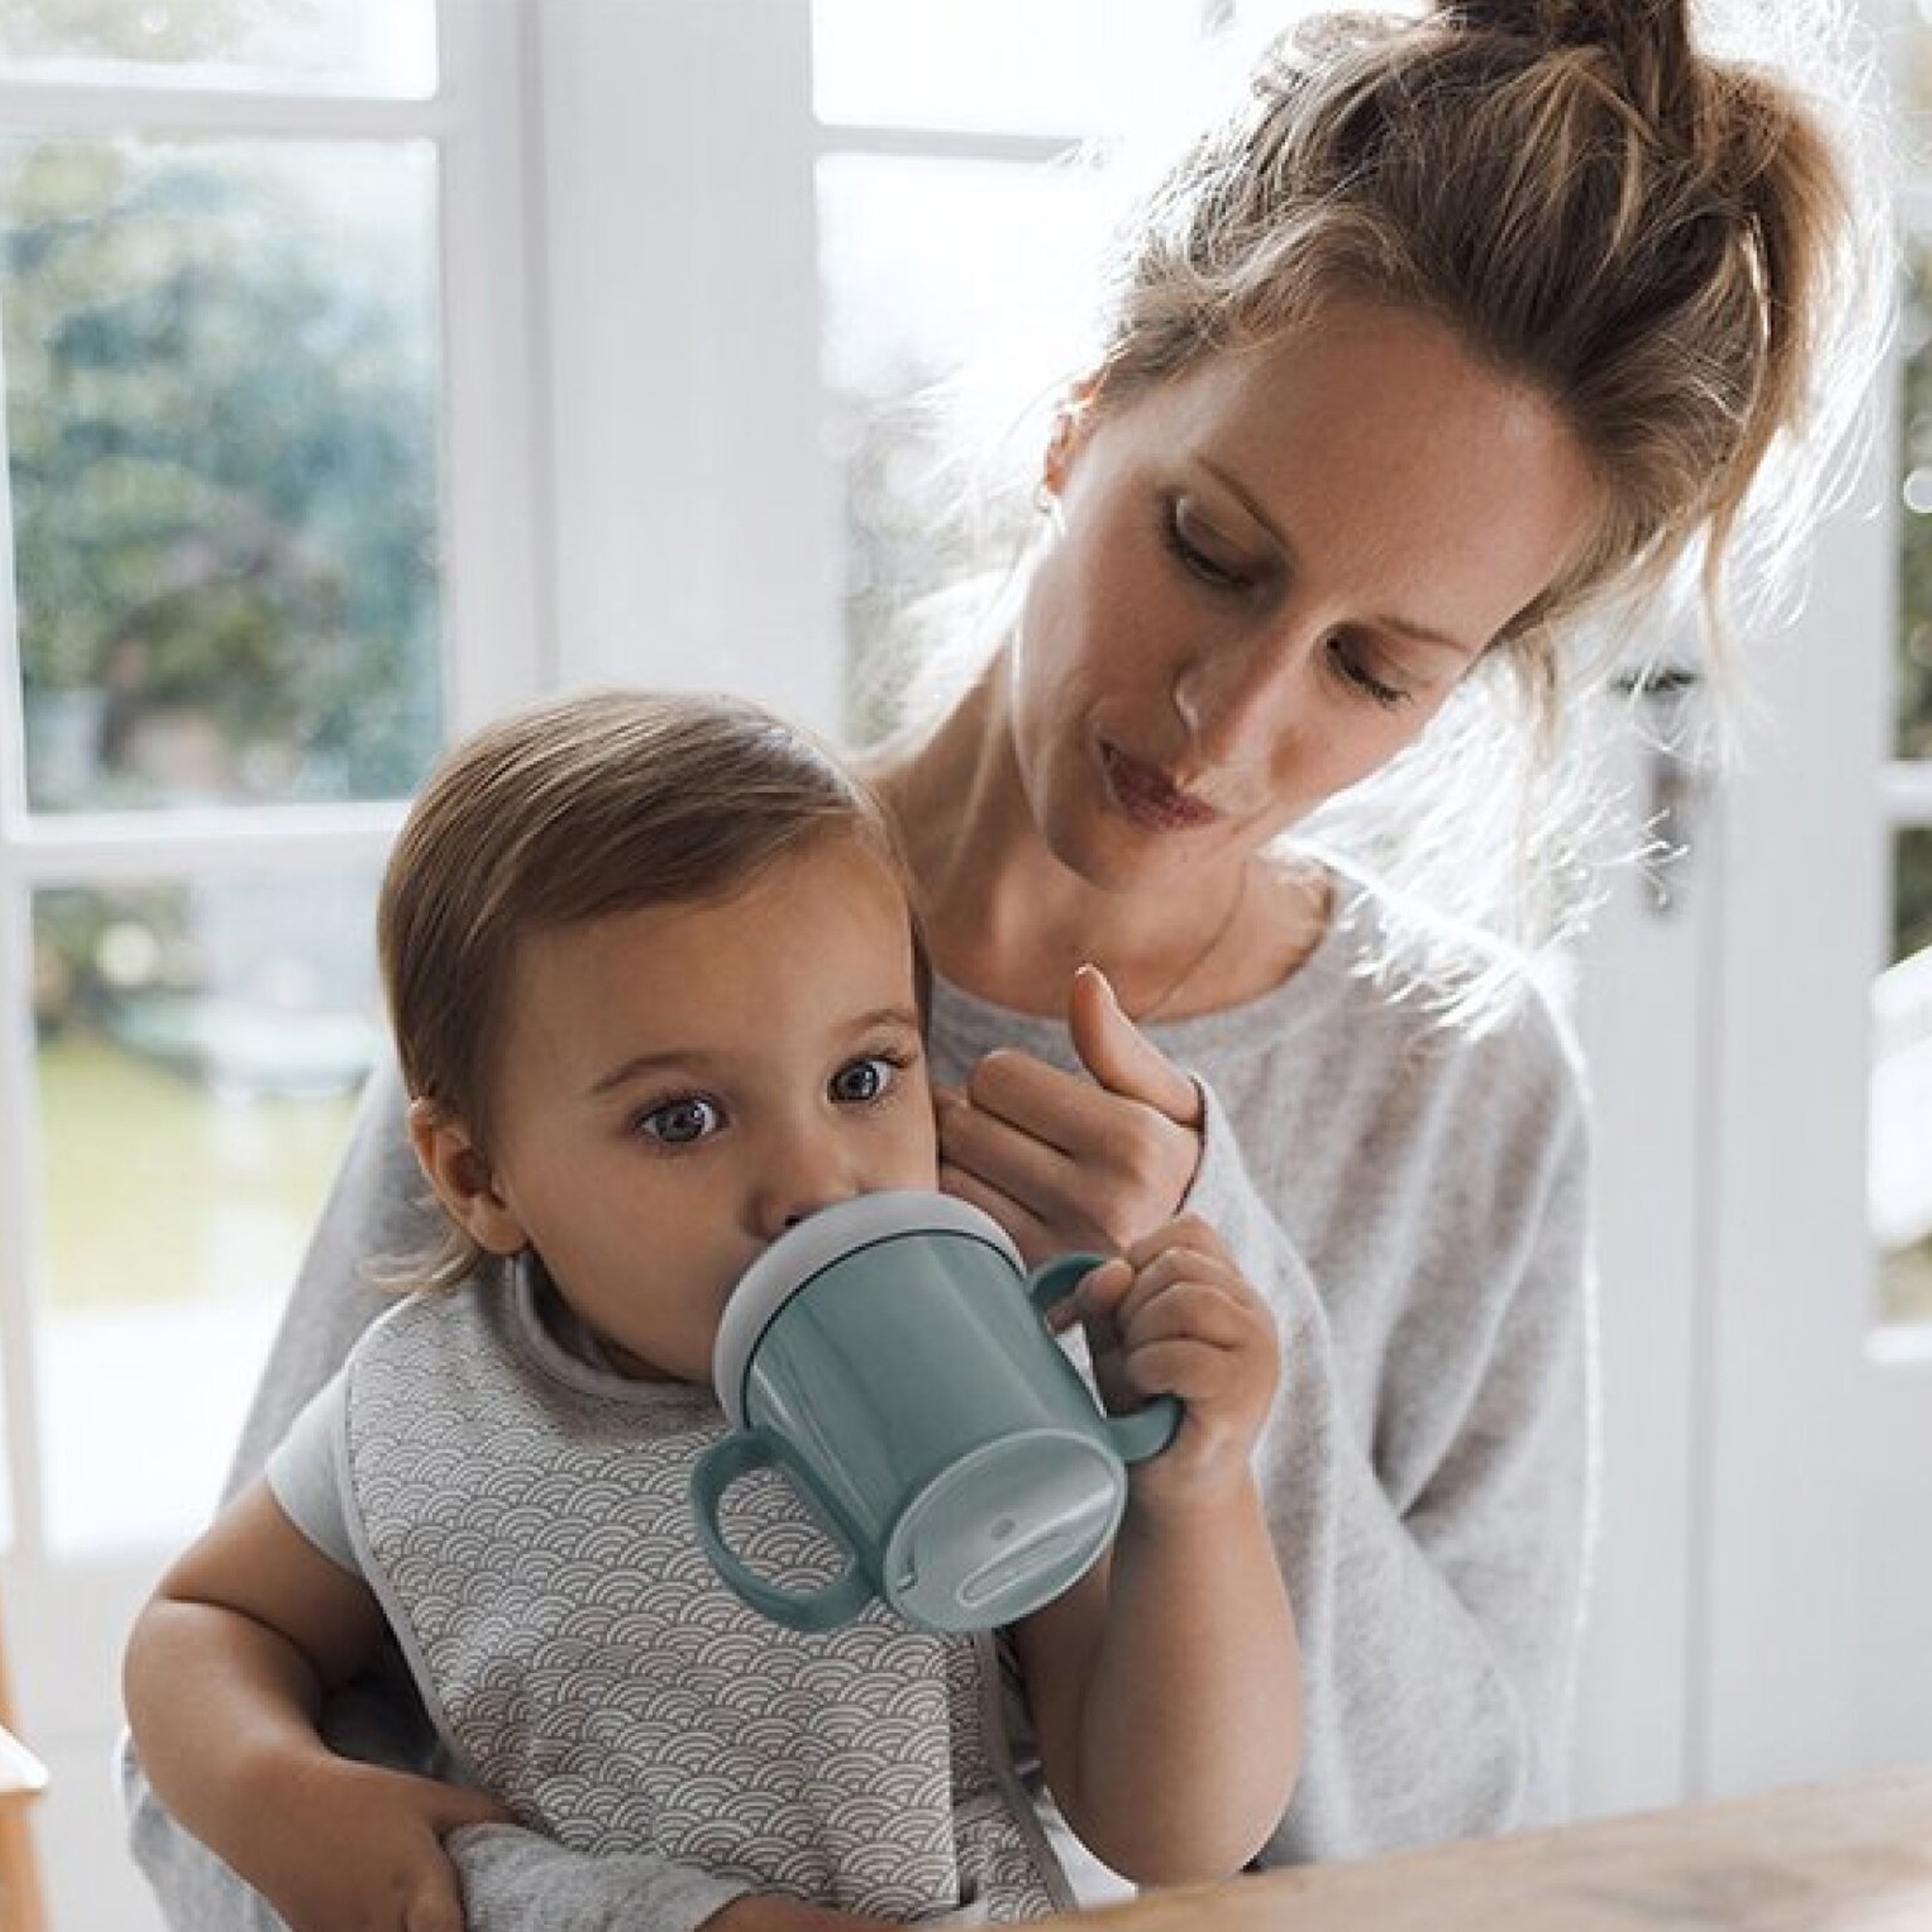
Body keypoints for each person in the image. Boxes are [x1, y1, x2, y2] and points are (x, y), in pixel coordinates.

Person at [122, 2, 1887, 1929]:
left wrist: (1218, 1292)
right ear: (1086, 408)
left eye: (1374, 670)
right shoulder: (601, 964)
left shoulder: (1453, 1087)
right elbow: (215, 1765)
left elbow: (1455, 1834)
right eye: (1209, 547)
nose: (1226, 724)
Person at [122, 690, 1300, 1932]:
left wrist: (1197, 1497)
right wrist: (282, 1792)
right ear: (477, 1177)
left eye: (860, 1077)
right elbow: (204, 1623)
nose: (812, 1181)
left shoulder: (976, 1376)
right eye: (681, 1117)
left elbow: (1180, 1832)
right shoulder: (422, 1402)